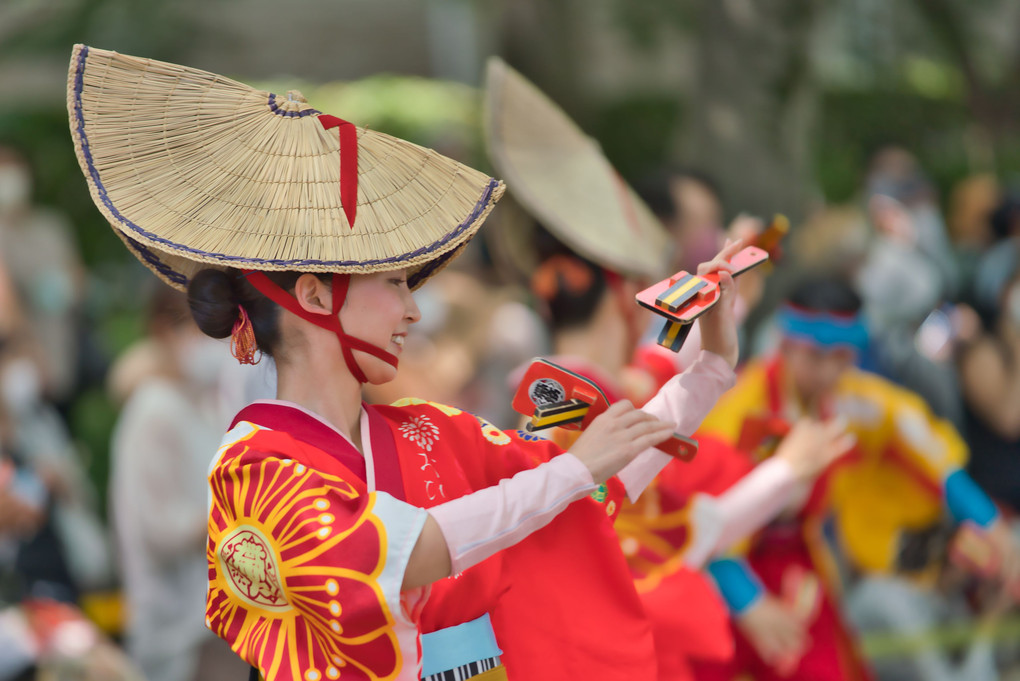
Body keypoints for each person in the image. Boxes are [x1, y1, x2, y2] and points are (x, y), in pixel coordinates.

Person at [69, 45, 746, 681]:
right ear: (312, 294)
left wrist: (711, 365)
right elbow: (409, 550)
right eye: (393, 284)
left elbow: (587, 484)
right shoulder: (255, 470)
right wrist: (575, 468)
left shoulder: (426, 429)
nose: (412, 311)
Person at [482, 59, 852, 680]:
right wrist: (783, 473)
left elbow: (658, 366)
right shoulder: (561, 391)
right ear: (619, 288)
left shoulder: (579, 383)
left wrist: (720, 289)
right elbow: (663, 530)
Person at [692, 274, 1018, 681]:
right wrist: (748, 603)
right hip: (717, 568)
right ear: (787, 345)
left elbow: (922, 443)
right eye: (815, 356)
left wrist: (987, 521)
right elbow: (699, 518)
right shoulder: (738, 411)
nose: (829, 372)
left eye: (842, 357)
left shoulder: (852, 399)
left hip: (798, 564)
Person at [110, 286, 250, 681]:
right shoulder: (154, 408)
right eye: (201, 329)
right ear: (163, 331)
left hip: (212, 613)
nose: (212, 343)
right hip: (178, 623)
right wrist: (241, 516)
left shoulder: (203, 401)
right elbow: (158, 529)